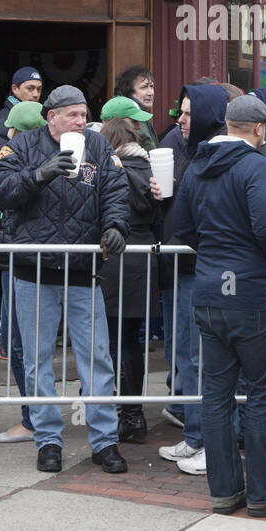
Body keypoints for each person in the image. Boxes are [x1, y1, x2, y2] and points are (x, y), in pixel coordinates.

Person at [173, 94, 266, 518]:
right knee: (262, 398)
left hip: (212, 291)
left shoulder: (197, 165)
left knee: (215, 397)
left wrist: (215, 255)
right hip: (253, 295)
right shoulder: (255, 165)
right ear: (258, 129)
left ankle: (225, 491)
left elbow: (180, 226)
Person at [0, 85, 130, 474]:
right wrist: (40, 174)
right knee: (37, 362)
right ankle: (48, 439)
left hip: (83, 270)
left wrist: (117, 226)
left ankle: (105, 441)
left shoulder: (99, 147)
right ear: (52, 117)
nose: (82, 122)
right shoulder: (22, 147)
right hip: (33, 272)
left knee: (96, 359)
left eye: (85, 115)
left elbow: (117, 191)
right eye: (74, 115)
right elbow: (0, 189)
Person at [157, 83, 230, 471]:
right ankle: (194, 435)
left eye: (187, 113)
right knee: (185, 355)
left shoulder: (218, 151)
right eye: (179, 112)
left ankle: (209, 443)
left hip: (207, 270)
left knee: (203, 359)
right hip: (182, 267)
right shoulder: (187, 148)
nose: (180, 120)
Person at [99, 98, 162, 445]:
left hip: (116, 257)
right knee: (131, 340)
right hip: (142, 258)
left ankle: (121, 416)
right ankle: (133, 416)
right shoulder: (150, 167)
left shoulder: (111, 167)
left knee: (112, 340)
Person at [0, 99, 47, 444]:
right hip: (27, 263)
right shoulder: (45, 162)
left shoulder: (18, 162)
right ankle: (36, 415)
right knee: (24, 342)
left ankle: (32, 418)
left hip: (22, 264)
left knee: (19, 342)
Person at [0, 66, 43, 164]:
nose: (36, 94)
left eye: (39, 89)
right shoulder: (1, 121)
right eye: (30, 88)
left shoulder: (41, 119)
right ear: (15, 89)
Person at [113, 66, 160, 152]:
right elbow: (149, 150)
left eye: (152, 86)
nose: (150, 92)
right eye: (144, 87)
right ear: (129, 91)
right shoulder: (130, 117)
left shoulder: (140, 113)